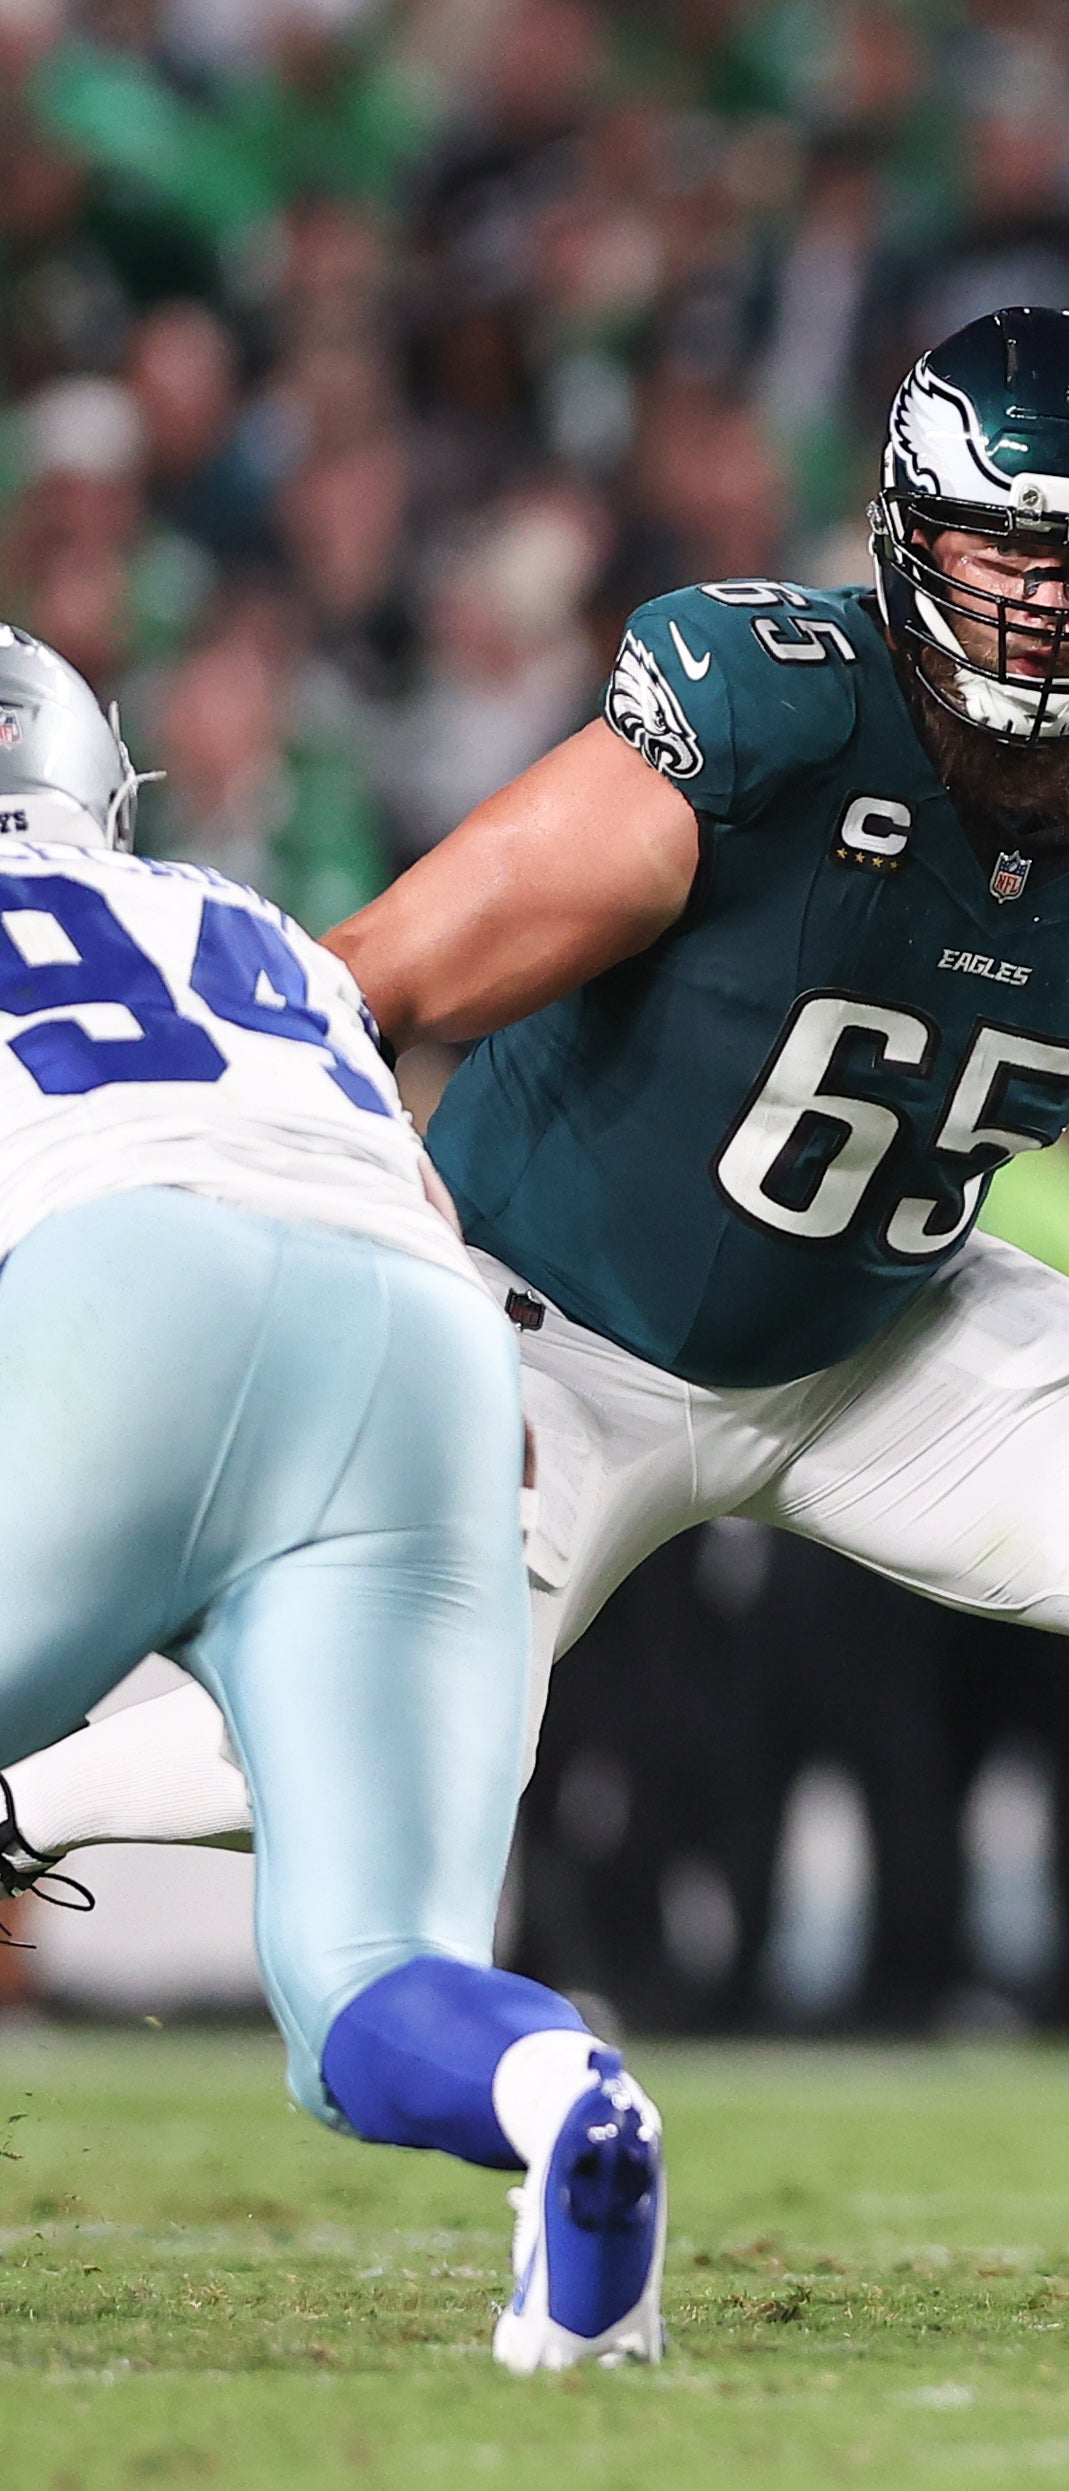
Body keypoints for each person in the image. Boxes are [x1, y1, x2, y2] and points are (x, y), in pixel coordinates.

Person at [0, 311, 1069, 2326]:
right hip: (553, 1328)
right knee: (325, 1761)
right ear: (908, 533)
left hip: (884, 1326)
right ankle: (28, 1799)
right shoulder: (767, 707)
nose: (1057, 606)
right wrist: (402, 1309)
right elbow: (370, 990)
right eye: (1014, 551)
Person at [0, 626, 665, 2372]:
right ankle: (559, 2092)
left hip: (123, 1288)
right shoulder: (250, 926)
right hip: (430, 1347)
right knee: (369, 1976)